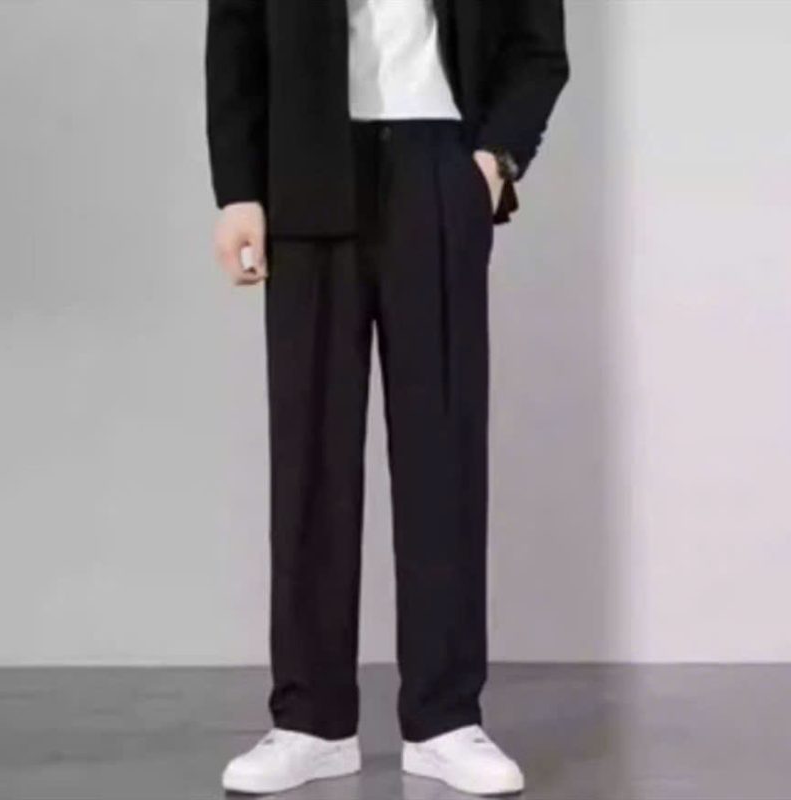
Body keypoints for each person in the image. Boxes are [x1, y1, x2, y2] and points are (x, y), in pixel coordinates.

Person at [205, 0, 568, 794]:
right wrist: (238, 190)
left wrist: (494, 161)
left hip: (441, 164)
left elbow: (539, 44)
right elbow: (235, 29)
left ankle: (445, 719)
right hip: (306, 166)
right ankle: (310, 721)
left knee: (444, 447)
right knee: (309, 454)